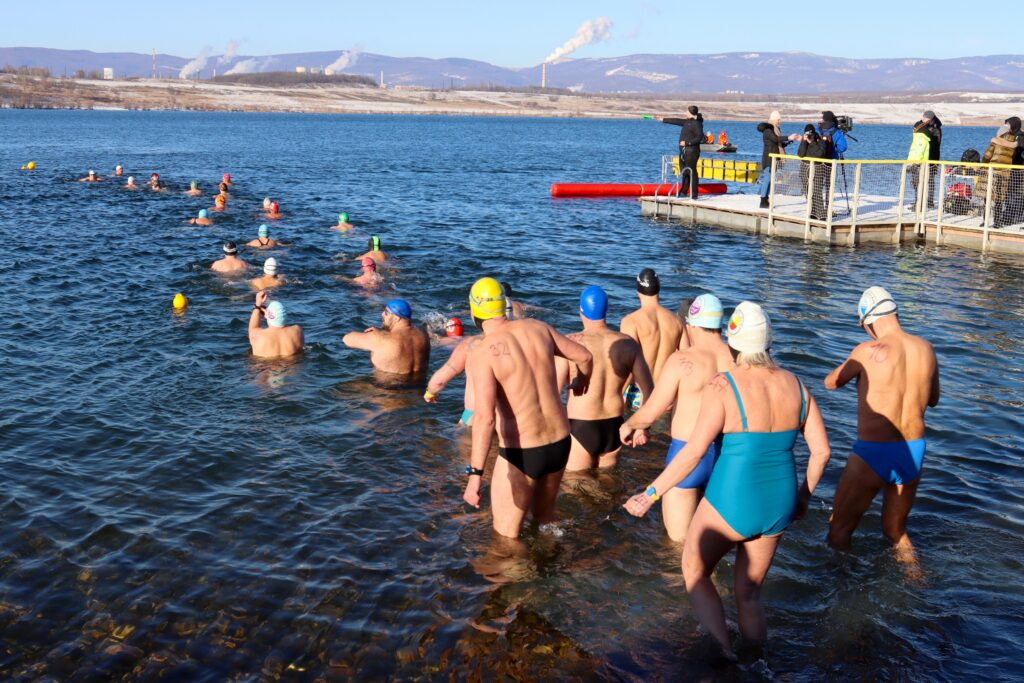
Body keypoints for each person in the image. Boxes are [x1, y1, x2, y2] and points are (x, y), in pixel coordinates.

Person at [624, 301, 830, 660]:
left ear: (734, 342)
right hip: (780, 500)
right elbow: (822, 452)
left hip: (734, 498)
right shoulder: (797, 385)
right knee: (749, 592)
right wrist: (803, 498)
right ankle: (756, 661)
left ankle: (724, 654)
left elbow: (692, 453)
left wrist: (651, 492)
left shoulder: (723, 386)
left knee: (693, 568)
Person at [461, 278, 593, 538]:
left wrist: (475, 475)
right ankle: (554, 568)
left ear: (474, 311)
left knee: (506, 536)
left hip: (523, 452)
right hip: (560, 442)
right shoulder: (538, 328)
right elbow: (585, 356)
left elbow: (485, 419)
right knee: (546, 519)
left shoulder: (482, 352)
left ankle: (521, 577)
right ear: (504, 305)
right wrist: (581, 381)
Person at [824, 287, 940, 574]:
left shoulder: (866, 351)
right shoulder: (925, 348)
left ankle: (836, 594)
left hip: (873, 453)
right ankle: (919, 586)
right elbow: (934, 399)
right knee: (896, 532)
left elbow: (832, 382)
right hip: (913, 451)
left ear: (867, 322)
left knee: (838, 530)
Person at [620, 294, 733, 542]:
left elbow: (652, 410)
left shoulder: (682, 360)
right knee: (712, 543)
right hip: (727, 456)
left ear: (690, 325)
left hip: (686, 455)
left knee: (679, 547)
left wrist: (629, 425)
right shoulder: (737, 359)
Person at [563, 286, 653, 471]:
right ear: (606, 310)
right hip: (615, 427)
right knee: (608, 486)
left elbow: (551, 393)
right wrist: (642, 426)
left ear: (580, 310)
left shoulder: (569, 343)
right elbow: (649, 390)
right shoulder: (628, 344)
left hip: (580, 426)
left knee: (575, 489)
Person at [620, 268, 685, 408]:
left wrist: (617, 393)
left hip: (639, 394)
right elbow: (687, 359)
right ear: (658, 289)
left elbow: (629, 364)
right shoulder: (677, 321)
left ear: (638, 291)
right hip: (666, 394)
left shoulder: (631, 322)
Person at [342, 299, 431, 378]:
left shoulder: (381, 339)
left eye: (386, 312)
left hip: (387, 391)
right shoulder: (423, 334)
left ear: (397, 318)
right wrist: (382, 334)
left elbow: (347, 339)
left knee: (339, 391)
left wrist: (375, 335)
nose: (382, 314)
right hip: (418, 390)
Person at [424, 325, 476, 427]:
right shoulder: (513, 336)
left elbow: (439, 381)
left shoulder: (470, 343)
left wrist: (430, 393)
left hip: (475, 413)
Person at [981, 117, 1024, 228]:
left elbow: (987, 156)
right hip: (1005, 173)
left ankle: (985, 221)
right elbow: (1013, 156)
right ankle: (998, 222)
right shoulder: (1013, 144)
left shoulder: (996, 142)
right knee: (1000, 197)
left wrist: (983, 165)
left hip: (993, 172)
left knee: (988, 197)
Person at [757, 111, 801, 209]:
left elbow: (778, 144)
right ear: (774, 119)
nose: (779, 121)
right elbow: (776, 139)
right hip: (769, 159)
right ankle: (762, 200)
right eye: (778, 120)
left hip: (774, 159)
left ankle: (766, 199)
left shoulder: (775, 129)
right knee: (767, 179)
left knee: (771, 180)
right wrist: (788, 137)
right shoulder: (768, 130)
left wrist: (790, 141)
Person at [660, 106, 704, 199]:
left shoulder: (697, 124)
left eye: (686, 111)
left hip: (692, 151)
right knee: (685, 172)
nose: (685, 113)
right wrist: (663, 119)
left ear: (690, 112)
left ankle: (694, 195)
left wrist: (687, 143)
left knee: (692, 171)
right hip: (684, 152)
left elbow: (699, 137)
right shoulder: (687, 122)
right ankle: (683, 192)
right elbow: (676, 121)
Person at [249, 291, 303, 359]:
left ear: (268, 316)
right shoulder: (297, 331)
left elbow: (253, 328)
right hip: (292, 366)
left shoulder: (259, 336)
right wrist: (268, 315)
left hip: (265, 367)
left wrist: (257, 306)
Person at [797, 124, 830, 220]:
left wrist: (812, 143)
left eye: (810, 134)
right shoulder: (805, 141)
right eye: (807, 134)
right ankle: (813, 212)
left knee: (817, 191)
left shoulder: (821, 141)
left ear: (814, 133)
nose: (809, 136)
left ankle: (822, 215)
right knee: (808, 191)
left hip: (818, 169)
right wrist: (804, 141)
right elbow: (800, 154)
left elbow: (819, 154)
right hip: (805, 168)